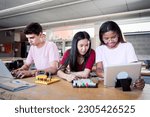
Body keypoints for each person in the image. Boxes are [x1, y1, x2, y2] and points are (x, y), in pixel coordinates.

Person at [96, 21, 145, 90]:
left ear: (118, 34)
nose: (110, 41)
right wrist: (107, 75)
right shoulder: (99, 49)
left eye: (113, 37)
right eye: (106, 38)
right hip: (108, 85)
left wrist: (139, 81)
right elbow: (99, 69)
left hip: (126, 84)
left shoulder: (127, 46)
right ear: (101, 38)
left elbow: (134, 69)